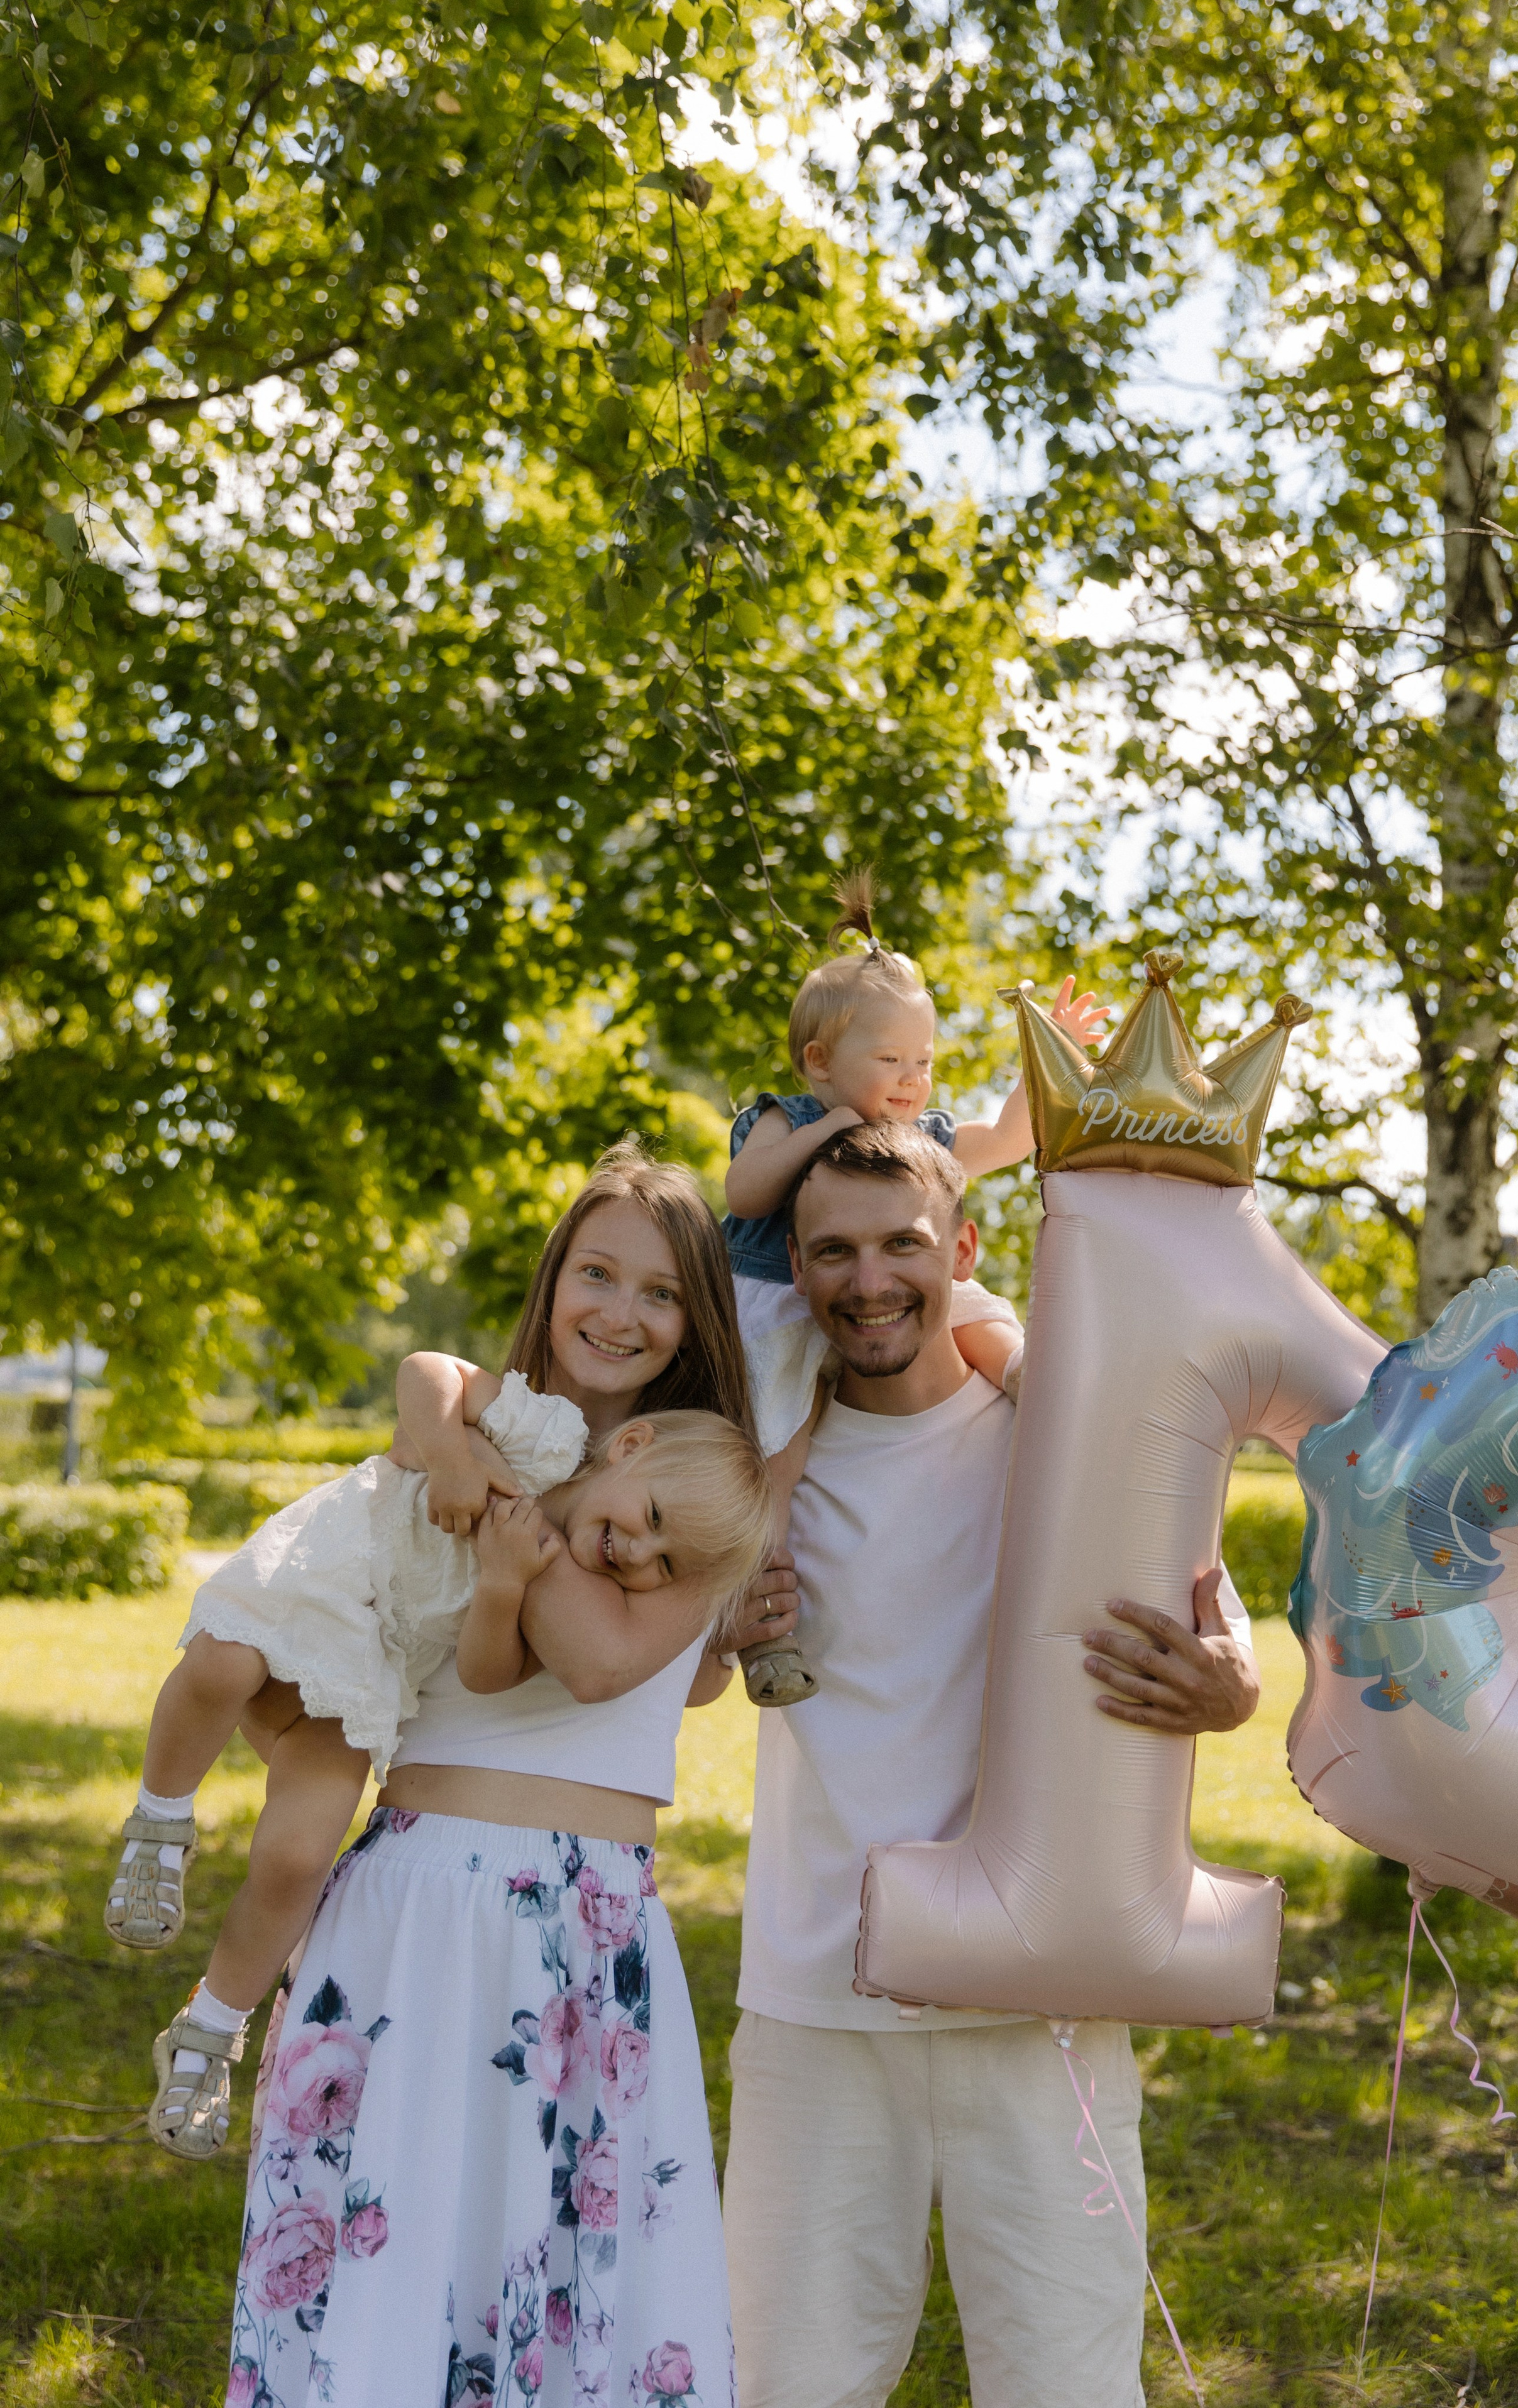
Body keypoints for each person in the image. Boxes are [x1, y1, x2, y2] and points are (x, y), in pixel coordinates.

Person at [720, 1120, 1260, 2408]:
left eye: (901, 1244)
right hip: (813, 2000)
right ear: (793, 1272)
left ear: (959, 1249)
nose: (868, 1282)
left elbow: (1214, 1631)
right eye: (832, 1253)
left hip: (1042, 2005)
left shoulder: (1064, 1434)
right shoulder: (755, 1482)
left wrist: (1227, 1685)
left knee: (1067, 2385)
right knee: (784, 2384)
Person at [224, 1141, 759, 2408]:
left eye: (661, 1293)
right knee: (388, 2238)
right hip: (414, 1896)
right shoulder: (476, 1425)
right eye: (596, 1273)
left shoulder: (698, 1489)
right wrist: (441, 1420)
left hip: (583, 1912)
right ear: (552, 1275)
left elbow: (615, 1670)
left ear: (696, 1323)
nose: (619, 1314)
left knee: (560, 2257)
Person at [722, 870, 1109, 1702]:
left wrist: (1057, 1054)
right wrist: (829, 1129)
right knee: (777, 1464)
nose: (912, 1079)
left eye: (924, 1061)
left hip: (882, 1301)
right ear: (819, 1063)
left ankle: (1027, 1380)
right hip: (781, 1313)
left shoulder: (921, 1137)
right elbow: (746, 1196)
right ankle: (768, 1630)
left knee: (968, 1308)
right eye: (891, 1058)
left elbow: (1009, 1138)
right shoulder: (788, 1120)